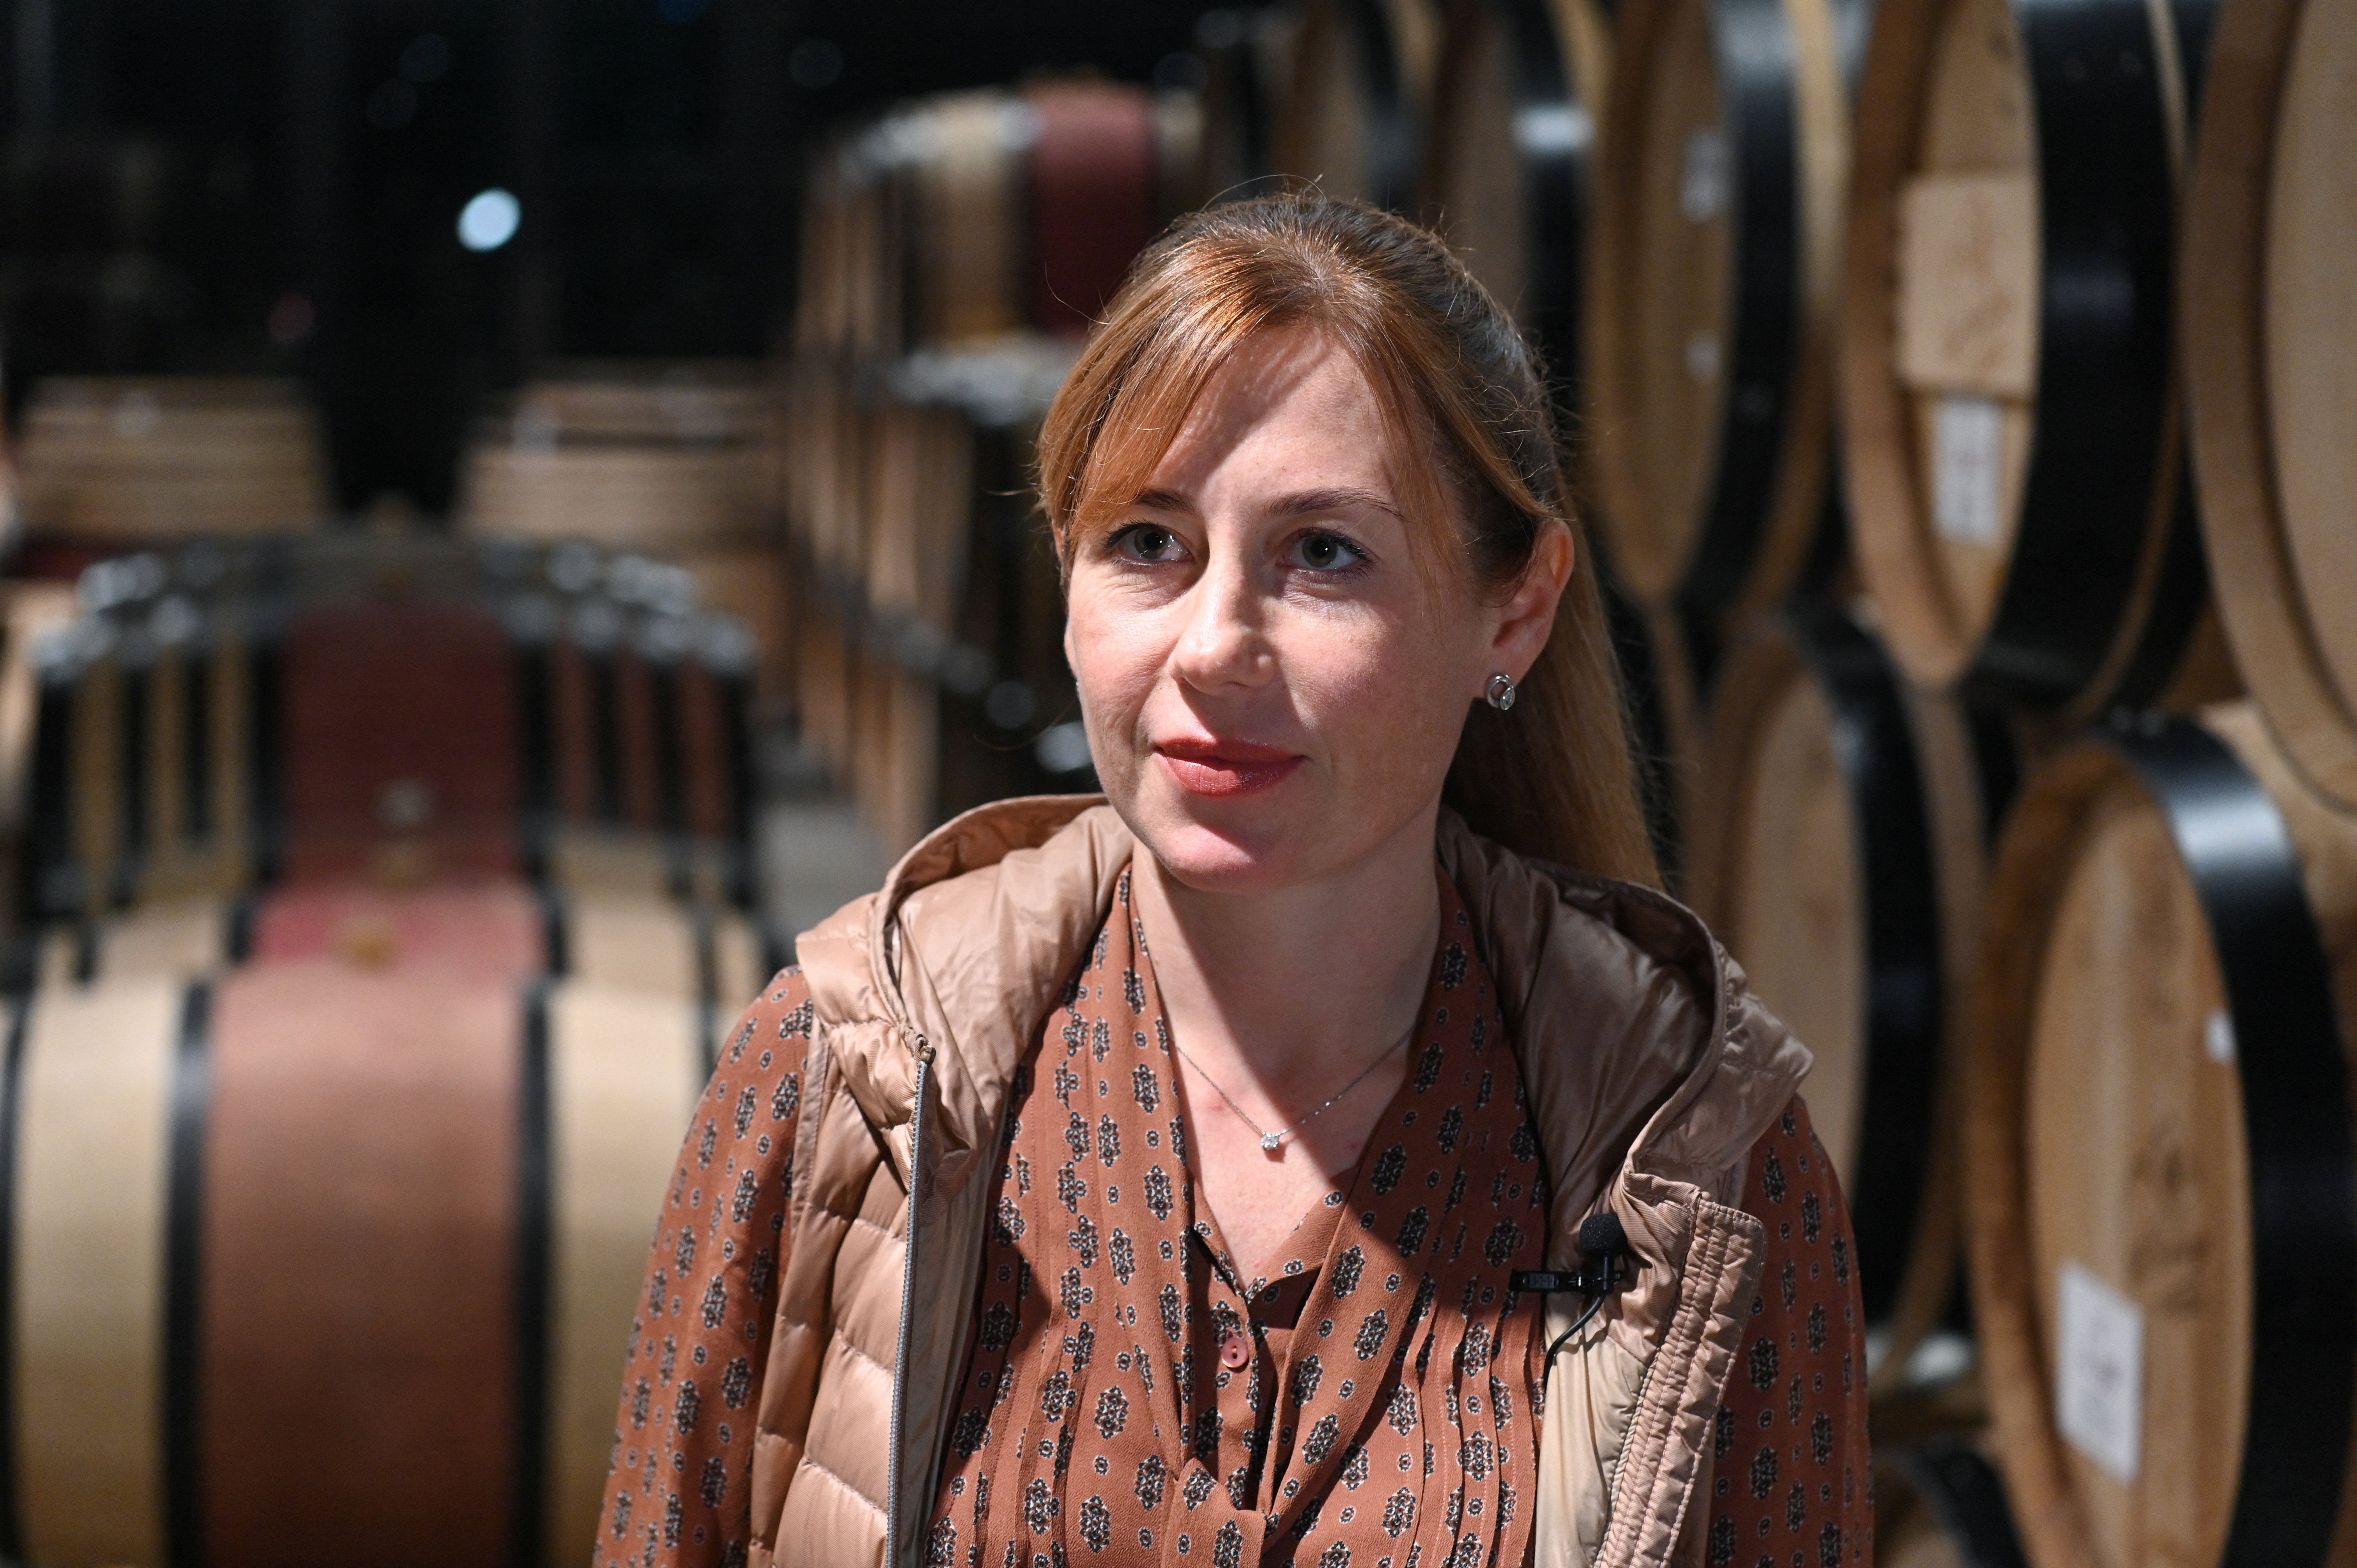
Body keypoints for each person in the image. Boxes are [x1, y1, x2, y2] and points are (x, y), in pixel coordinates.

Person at [595, 192, 1869, 1568]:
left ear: (1517, 606)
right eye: (1148, 543)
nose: (1214, 646)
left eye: (1323, 554)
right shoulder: (848, 1074)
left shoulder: (1702, 1169)